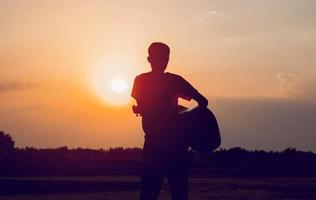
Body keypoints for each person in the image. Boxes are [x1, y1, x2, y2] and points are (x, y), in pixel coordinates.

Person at [131, 42, 208, 200]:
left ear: (148, 59)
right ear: (167, 60)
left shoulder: (141, 81)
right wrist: (185, 115)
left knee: (148, 194)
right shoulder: (175, 81)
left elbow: (143, 105)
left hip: (154, 146)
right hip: (176, 147)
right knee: (178, 193)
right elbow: (203, 102)